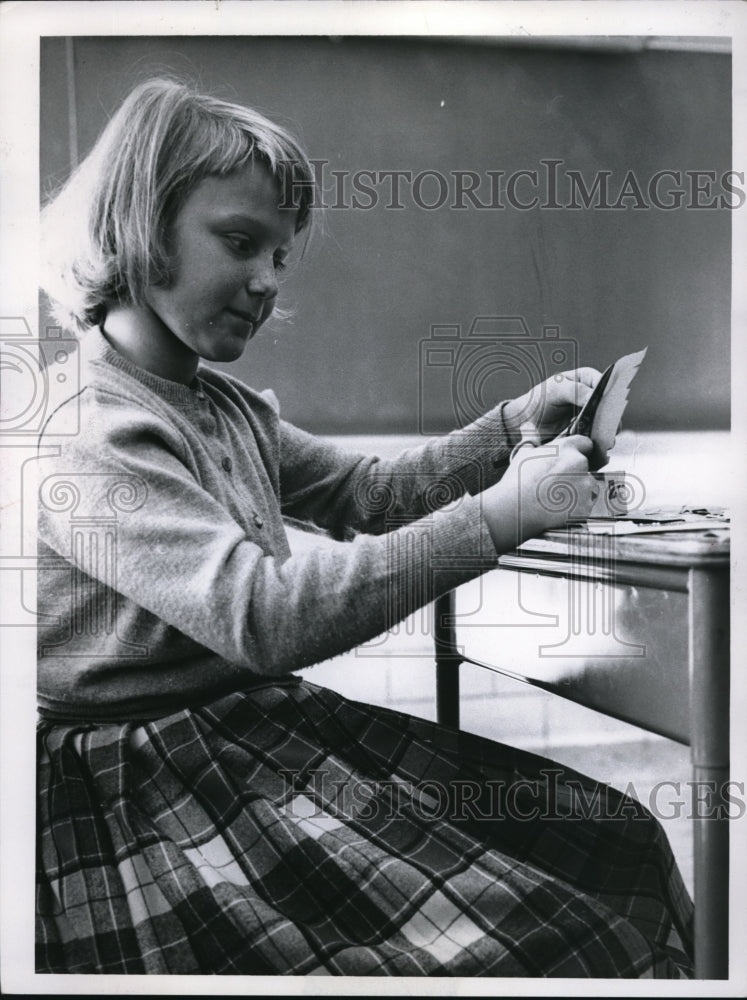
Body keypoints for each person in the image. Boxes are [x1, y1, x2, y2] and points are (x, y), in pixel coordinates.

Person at [35, 77, 693, 977]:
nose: (268, 281)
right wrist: (502, 513)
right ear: (137, 228)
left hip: (248, 738)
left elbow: (372, 494)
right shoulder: (83, 429)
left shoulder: (223, 406)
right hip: (140, 787)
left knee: (617, 841)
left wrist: (509, 428)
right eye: (240, 243)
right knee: (546, 943)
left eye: (282, 256)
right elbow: (265, 618)